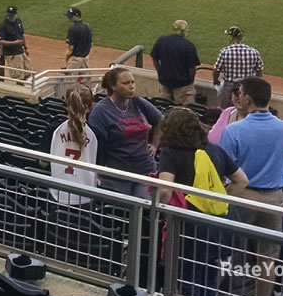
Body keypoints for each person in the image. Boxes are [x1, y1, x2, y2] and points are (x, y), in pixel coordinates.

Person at [218, 76, 283, 296]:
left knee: (227, 250)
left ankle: (211, 294)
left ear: (248, 98)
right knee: (268, 257)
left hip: (243, 197)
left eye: (240, 93)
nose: (238, 96)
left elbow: (224, 169)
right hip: (274, 199)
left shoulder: (233, 130)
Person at [154, 106, 246, 296]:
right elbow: (242, 180)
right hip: (217, 225)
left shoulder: (171, 153)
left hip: (188, 225)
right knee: (209, 273)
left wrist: (163, 210)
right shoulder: (214, 149)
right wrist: (219, 200)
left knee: (187, 276)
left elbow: (164, 190)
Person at [88, 66, 160, 197]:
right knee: (119, 214)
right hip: (116, 175)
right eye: (126, 83)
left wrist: (155, 144)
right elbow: (97, 144)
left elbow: (161, 121)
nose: (131, 86)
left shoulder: (138, 103)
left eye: (133, 82)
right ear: (113, 86)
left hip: (145, 170)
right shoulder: (101, 110)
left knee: (144, 212)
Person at [49, 85, 99, 206]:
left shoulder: (54, 128)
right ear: (90, 106)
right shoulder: (97, 133)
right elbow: (101, 165)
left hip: (57, 194)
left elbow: (43, 162)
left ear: (66, 104)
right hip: (85, 196)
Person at [151, 19, 201, 107]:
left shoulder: (162, 41)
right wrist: (190, 82)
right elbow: (192, 68)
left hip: (165, 82)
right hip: (183, 86)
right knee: (184, 113)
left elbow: (154, 59)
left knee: (163, 109)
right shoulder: (188, 46)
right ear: (183, 31)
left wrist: (160, 72)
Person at [213, 26, 263, 104]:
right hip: (247, 88)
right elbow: (259, 70)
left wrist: (215, 81)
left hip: (229, 87)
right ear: (242, 38)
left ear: (231, 38)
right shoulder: (254, 52)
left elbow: (216, 70)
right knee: (246, 110)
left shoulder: (225, 52)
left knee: (227, 111)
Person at [0, 6, 29, 79]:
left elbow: (22, 34)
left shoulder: (18, 21)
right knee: (18, 76)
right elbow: (0, 41)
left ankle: (21, 88)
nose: (11, 16)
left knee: (27, 72)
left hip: (21, 51)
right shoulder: (3, 25)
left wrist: (26, 48)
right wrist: (15, 43)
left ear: (15, 14)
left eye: (12, 14)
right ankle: (19, 89)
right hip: (12, 54)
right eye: (9, 14)